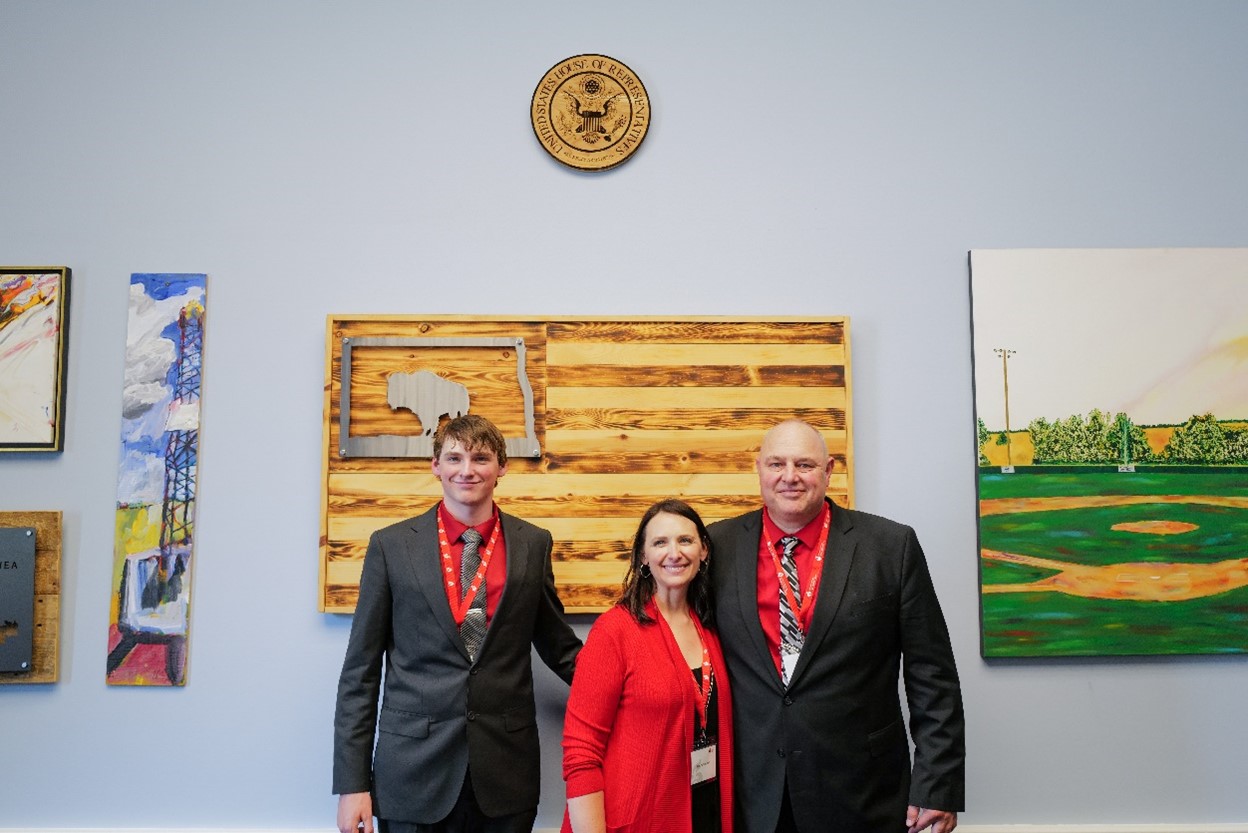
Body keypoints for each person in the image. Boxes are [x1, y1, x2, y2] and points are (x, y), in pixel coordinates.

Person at [708, 419, 965, 833]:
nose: (789, 477)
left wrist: (938, 784)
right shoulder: (715, 547)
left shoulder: (890, 546)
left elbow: (931, 674)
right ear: (758, 468)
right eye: (777, 464)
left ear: (829, 471)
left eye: (805, 465)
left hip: (864, 792)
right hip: (752, 793)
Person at [333, 414, 583, 833]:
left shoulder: (532, 544)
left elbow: (560, 648)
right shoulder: (391, 547)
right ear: (436, 466)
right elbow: (360, 673)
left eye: (481, 458)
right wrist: (353, 785)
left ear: (502, 467)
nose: (467, 470)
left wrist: (636, 679)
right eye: (454, 458)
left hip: (505, 773)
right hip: (412, 775)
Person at [561, 499, 735, 833]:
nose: (675, 552)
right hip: (634, 822)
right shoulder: (614, 632)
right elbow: (581, 752)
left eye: (685, 540)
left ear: (704, 551)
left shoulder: (710, 628)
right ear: (643, 557)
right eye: (660, 542)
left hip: (703, 810)